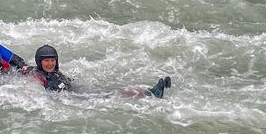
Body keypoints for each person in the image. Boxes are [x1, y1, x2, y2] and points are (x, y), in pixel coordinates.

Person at [24, 44, 171, 98]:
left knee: (109, 90)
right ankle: (150, 94)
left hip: (74, 91)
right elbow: (34, 93)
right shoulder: (37, 76)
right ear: (39, 62)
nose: (50, 64)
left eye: (52, 60)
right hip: (71, 99)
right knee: (108, 96)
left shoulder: (57, 71)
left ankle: (149, 92)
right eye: (46, 61)